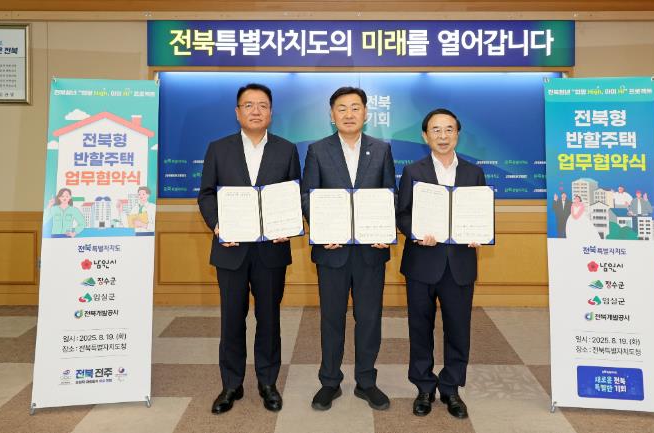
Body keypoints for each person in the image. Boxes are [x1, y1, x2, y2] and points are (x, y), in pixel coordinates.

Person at [197, 83, 301, 414]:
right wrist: (218, 224)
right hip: (231, 248)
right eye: (248, 105)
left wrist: (288, 226)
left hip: (271, 250)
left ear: (271, 112)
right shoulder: (219, 148)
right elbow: (206, 194)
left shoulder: (286, 150)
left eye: (262, 105)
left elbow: (293, 195)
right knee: (232, 318)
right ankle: (231, 384)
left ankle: (268, 383)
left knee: (269, 318)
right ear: (237, 112)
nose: (256, 111)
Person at [300, 86, 396, 411]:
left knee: (369, 318)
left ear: (366, 114)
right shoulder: (317, 150)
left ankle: (366, 382)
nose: (349, 114)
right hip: (332, 249)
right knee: (332, 318)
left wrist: (386, 230)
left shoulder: (381, 150)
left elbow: (391, 195)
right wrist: (322, 228)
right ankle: (330, 382)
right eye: (342, 108)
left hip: (371, 250)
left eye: (356, 108)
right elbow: (307, 196)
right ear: (332, 115)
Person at [396, 108, 485, 419]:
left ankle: (451, 388)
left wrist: (478, 233)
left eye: (449, 129)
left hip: (459, 264)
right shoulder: (413, 171)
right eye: (436, 130)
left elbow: (480, 213)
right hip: (422, 262)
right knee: (420, 327)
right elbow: (402, 214)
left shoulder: (474, 173)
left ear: (457, 134)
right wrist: (417, 233)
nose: (443, 136)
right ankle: (424, 387)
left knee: (458, 329)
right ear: (425, 136)